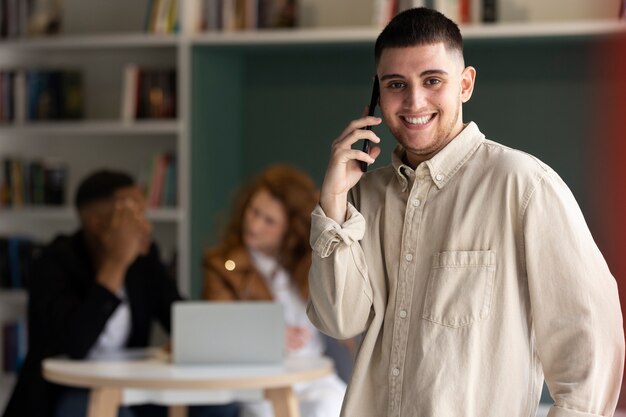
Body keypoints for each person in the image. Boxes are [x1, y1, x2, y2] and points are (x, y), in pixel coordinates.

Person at [306, 7, 624, 417]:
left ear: (465, 84)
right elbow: (339, 321)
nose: (414, 101)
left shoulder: (525, 187)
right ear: (377, 94)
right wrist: (333, 203)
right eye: (396, 84)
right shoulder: (362, 197)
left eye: (432, 80)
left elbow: (590, 348)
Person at [3, 169, 238, 417]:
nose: (146, 225)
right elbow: (76, 344)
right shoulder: (53, 264)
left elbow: (179, 317)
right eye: (132, 214)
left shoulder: (145, 262)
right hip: (65, 390)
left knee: (219, 405)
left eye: (144, 212)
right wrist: (115, 264)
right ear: (96, 223)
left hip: (131, 386)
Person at [203, 164, 346, 417]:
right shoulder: (223, 266)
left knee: (332, 406)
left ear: (290, 228)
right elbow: (216, 329)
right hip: (258, 380)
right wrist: (267, 337)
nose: (254, 224)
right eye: (253, 211)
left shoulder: (308, 262)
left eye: (269, 220)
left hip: (313, 376)